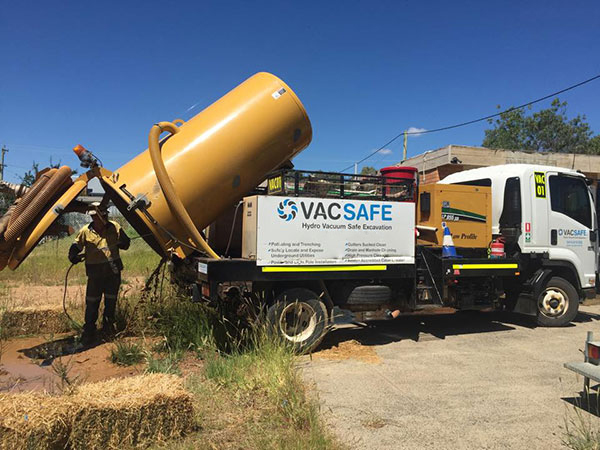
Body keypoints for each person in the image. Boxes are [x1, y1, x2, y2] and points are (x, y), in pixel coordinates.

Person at [68, 202, 130, 345]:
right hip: (94, 274)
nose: (100, 219)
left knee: (111, 301)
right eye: (96, 216)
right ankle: (89, 332)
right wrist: (74, 256)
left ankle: (108, 330)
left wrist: (122, 243)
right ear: (93, 217)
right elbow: (75, 247)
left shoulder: (115, 227)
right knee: (92, 303)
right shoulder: (85, 231)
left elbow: (126, 243)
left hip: (112, 272)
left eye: (102, 216)